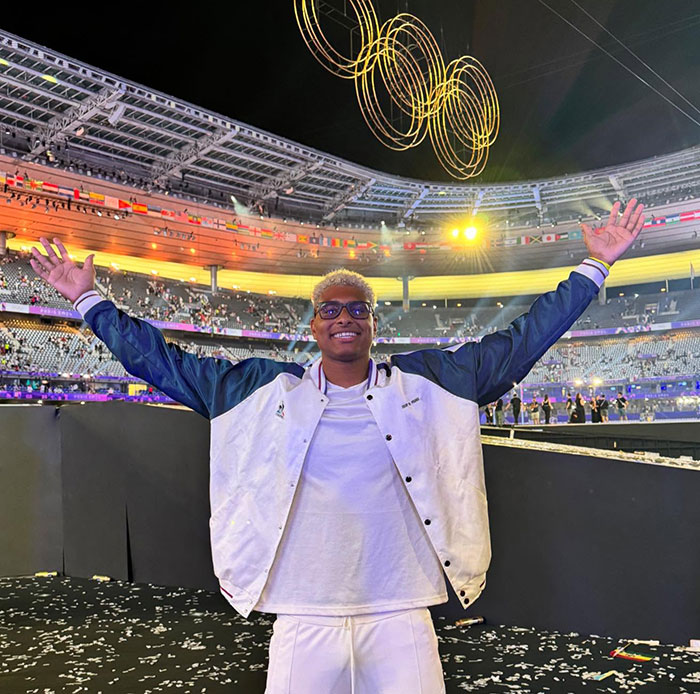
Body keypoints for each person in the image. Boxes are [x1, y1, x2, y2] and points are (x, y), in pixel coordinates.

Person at [27, 198, 644, 694]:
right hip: (303, 612)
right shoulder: (257, 390)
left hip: (402, 611)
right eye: (330, 309)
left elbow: (521, 342)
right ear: (315, 323)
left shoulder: (434, 383)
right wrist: (88, 301)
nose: (344, 317)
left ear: (373, 323)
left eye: (358, 308)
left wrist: (595, 267)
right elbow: (161, 361)